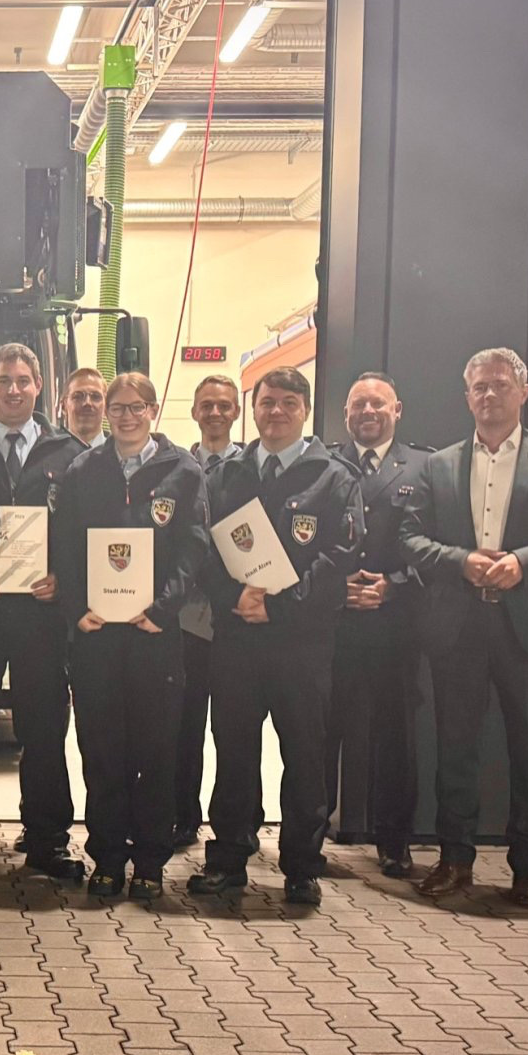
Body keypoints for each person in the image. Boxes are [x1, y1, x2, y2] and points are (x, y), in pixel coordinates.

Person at [401, 347, 528, 906]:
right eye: (479, 387)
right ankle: (454, 861)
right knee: (455, 750)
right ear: (466, 396)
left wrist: (526, 561)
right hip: (460, 627)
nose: (489, 395)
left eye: (499, 385)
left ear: (524, 392)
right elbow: (410, 538)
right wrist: (459, 561)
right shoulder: (439, 465)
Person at [190, 366, 363, 907]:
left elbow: (339, 557)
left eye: (289, 402)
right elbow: (201, 547)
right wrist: (233, 598)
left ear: (305, 410)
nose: (277, 411)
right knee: (234, 753)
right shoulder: (226, 475)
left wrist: (278, 605)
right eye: (267, 402)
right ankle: (228, 859)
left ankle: (301, 867)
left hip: (302, 644)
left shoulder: (334, 477)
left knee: (305, 756)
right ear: (254, 408)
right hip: (237, 640)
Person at [55, 372, 208, 900]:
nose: (125, 416)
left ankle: (149, 862)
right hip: (97, 636)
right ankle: (107, 857)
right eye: (117, 408)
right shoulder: (83, 470)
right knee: (101, 752)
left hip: (154, 635)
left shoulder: (183, 471)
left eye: (135, 407)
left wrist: (163, 609)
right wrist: (77, 610)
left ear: (153, 410)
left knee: (156, 753)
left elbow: (193, 548)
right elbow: (65, 547)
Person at [0, 343, 85, 879]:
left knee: (45, 727)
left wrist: (66, 581)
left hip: (40, 613)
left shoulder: (69, 453)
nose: (13, 390)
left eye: (23, 381)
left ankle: (47, 839)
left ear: (39, 387)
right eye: (3, 381)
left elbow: (81, 530)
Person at [326, 373, 430, 878]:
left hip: (395, 628)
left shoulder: (426, 467)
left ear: (397, 409)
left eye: (378, 403)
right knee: (322, 735)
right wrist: (334, 586)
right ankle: (309, 835)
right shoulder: (325, 463)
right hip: (334, 625)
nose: (368, 411)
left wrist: (395, 584)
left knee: (396, 737)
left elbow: (438, 542)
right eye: (358, 404)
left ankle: (395, 842)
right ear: (346, 413)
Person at [174, 374, 246, 849]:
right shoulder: (179, 467)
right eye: (207, 405)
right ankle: (183, 815)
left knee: (236, 728)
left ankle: (240, 822)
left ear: (236, 411)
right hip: (185, 616)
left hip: (238, 615)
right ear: (195, 411)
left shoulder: (251, 468)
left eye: (224, 405)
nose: (215, 413)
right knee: (184, 723)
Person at [60, 367, 107, 449]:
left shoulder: (122, 454)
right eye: (78, 396)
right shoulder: (47, 455)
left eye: (95, 396)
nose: (87, 403)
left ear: (107, 407)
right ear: (64, 406)